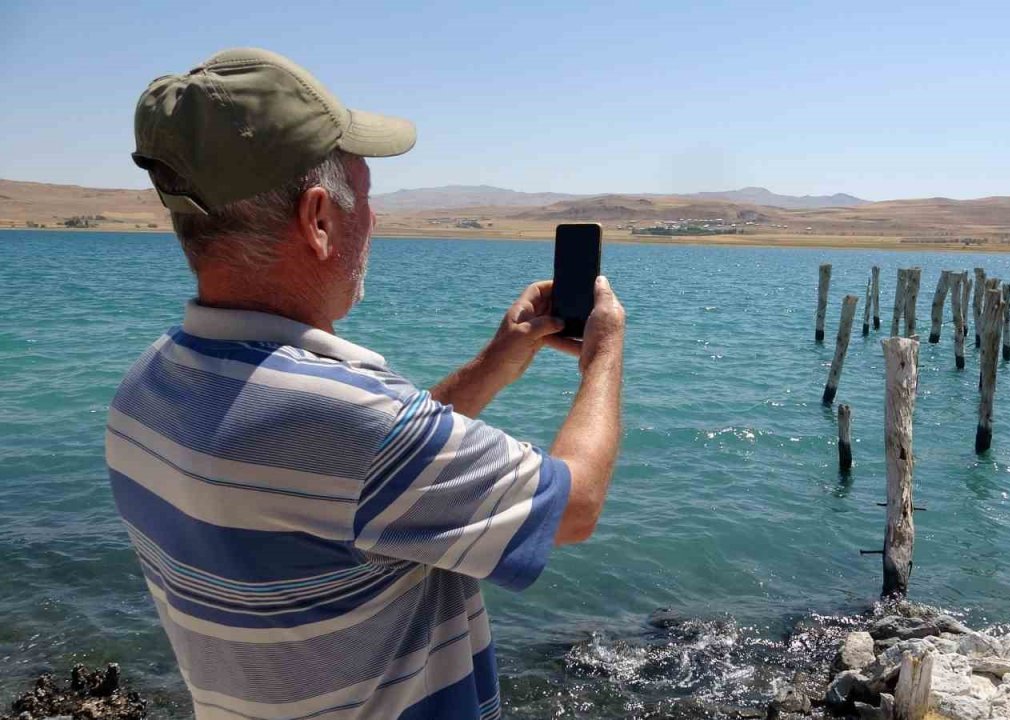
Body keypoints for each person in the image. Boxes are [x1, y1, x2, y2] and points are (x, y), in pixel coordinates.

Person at [105, 47, 624, 720]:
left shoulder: (145, 390)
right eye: (367, 197)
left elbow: (364, 484)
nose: (372, 221)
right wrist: (604, 354)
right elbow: (575, 507)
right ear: (318, 219)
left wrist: (500, 357)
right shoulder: (349, 424)